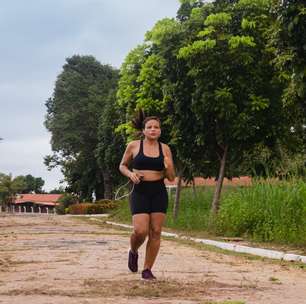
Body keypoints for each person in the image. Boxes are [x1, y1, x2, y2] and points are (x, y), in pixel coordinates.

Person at [119, 115, 175, 280]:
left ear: (160, 130)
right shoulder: (134, 146)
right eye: (149, 127)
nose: (153, 130)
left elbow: (171, 177)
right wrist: (130, 174)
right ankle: (133, 251)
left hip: (158, 191)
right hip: (140, 190)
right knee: (140, 231)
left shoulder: (165, 149)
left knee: (156, 231)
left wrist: (169, 165)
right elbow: (122, 165)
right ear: (143, 130)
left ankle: (147, 269)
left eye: (156, 127)